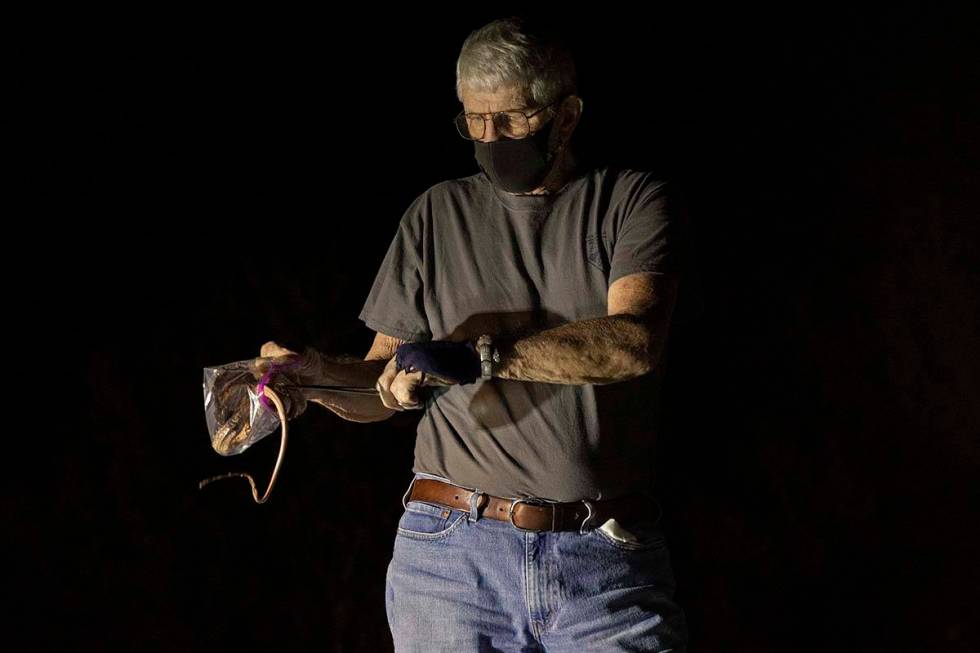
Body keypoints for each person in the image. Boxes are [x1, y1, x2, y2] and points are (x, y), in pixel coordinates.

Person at [260, 16, 695, 652]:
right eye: (474, 122)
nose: (491, 141)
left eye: (512, 120)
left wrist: (480, 359)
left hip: (603, 559)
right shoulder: (436, 215)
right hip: (451, 558)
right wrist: (311, 378)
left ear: (566, 115)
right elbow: (383, 385)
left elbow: (632, 343)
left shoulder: (630, 202)